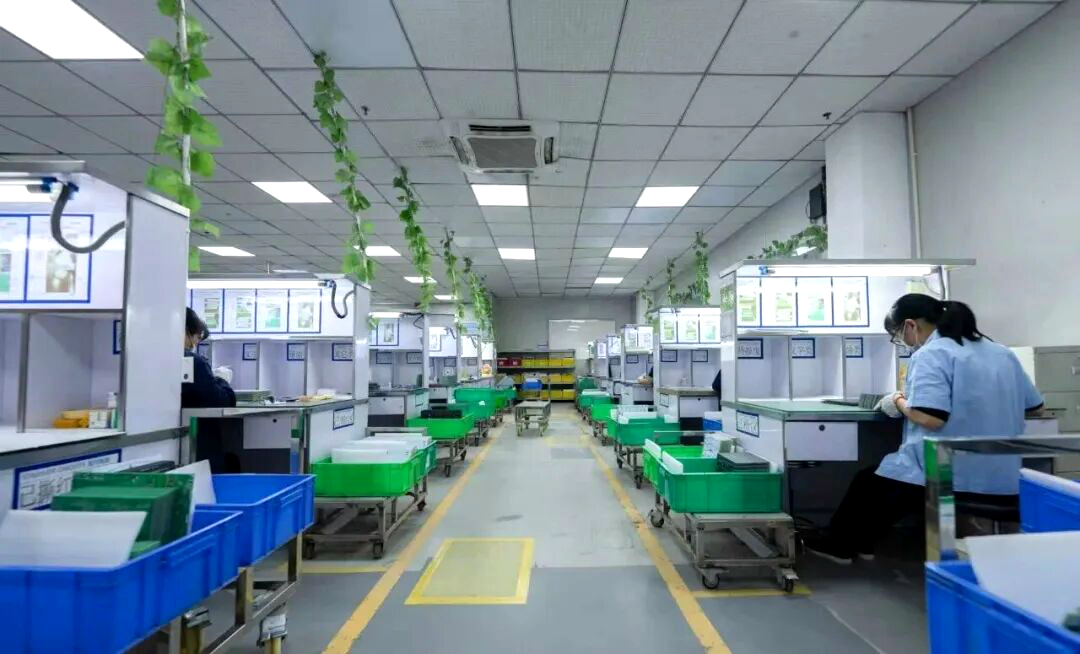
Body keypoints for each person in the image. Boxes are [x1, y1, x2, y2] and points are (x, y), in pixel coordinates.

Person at [804, 294, 1044, 564]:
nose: (904, 343)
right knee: (876, 482)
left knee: (871, 483)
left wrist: (897, 401)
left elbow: (930, 417)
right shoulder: (1000, 352)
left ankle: (843, 547)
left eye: (898, 336)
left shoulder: (931, 353)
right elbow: (1035, 406)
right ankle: (861, 544)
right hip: (1002, 477)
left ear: (910, 325)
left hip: (950, 474)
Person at [181, 307, 235, 408]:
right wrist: (222, 379)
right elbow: (220, 402)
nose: (196, 343)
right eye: (198, 337)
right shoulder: (194, 363)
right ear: (188, 331)